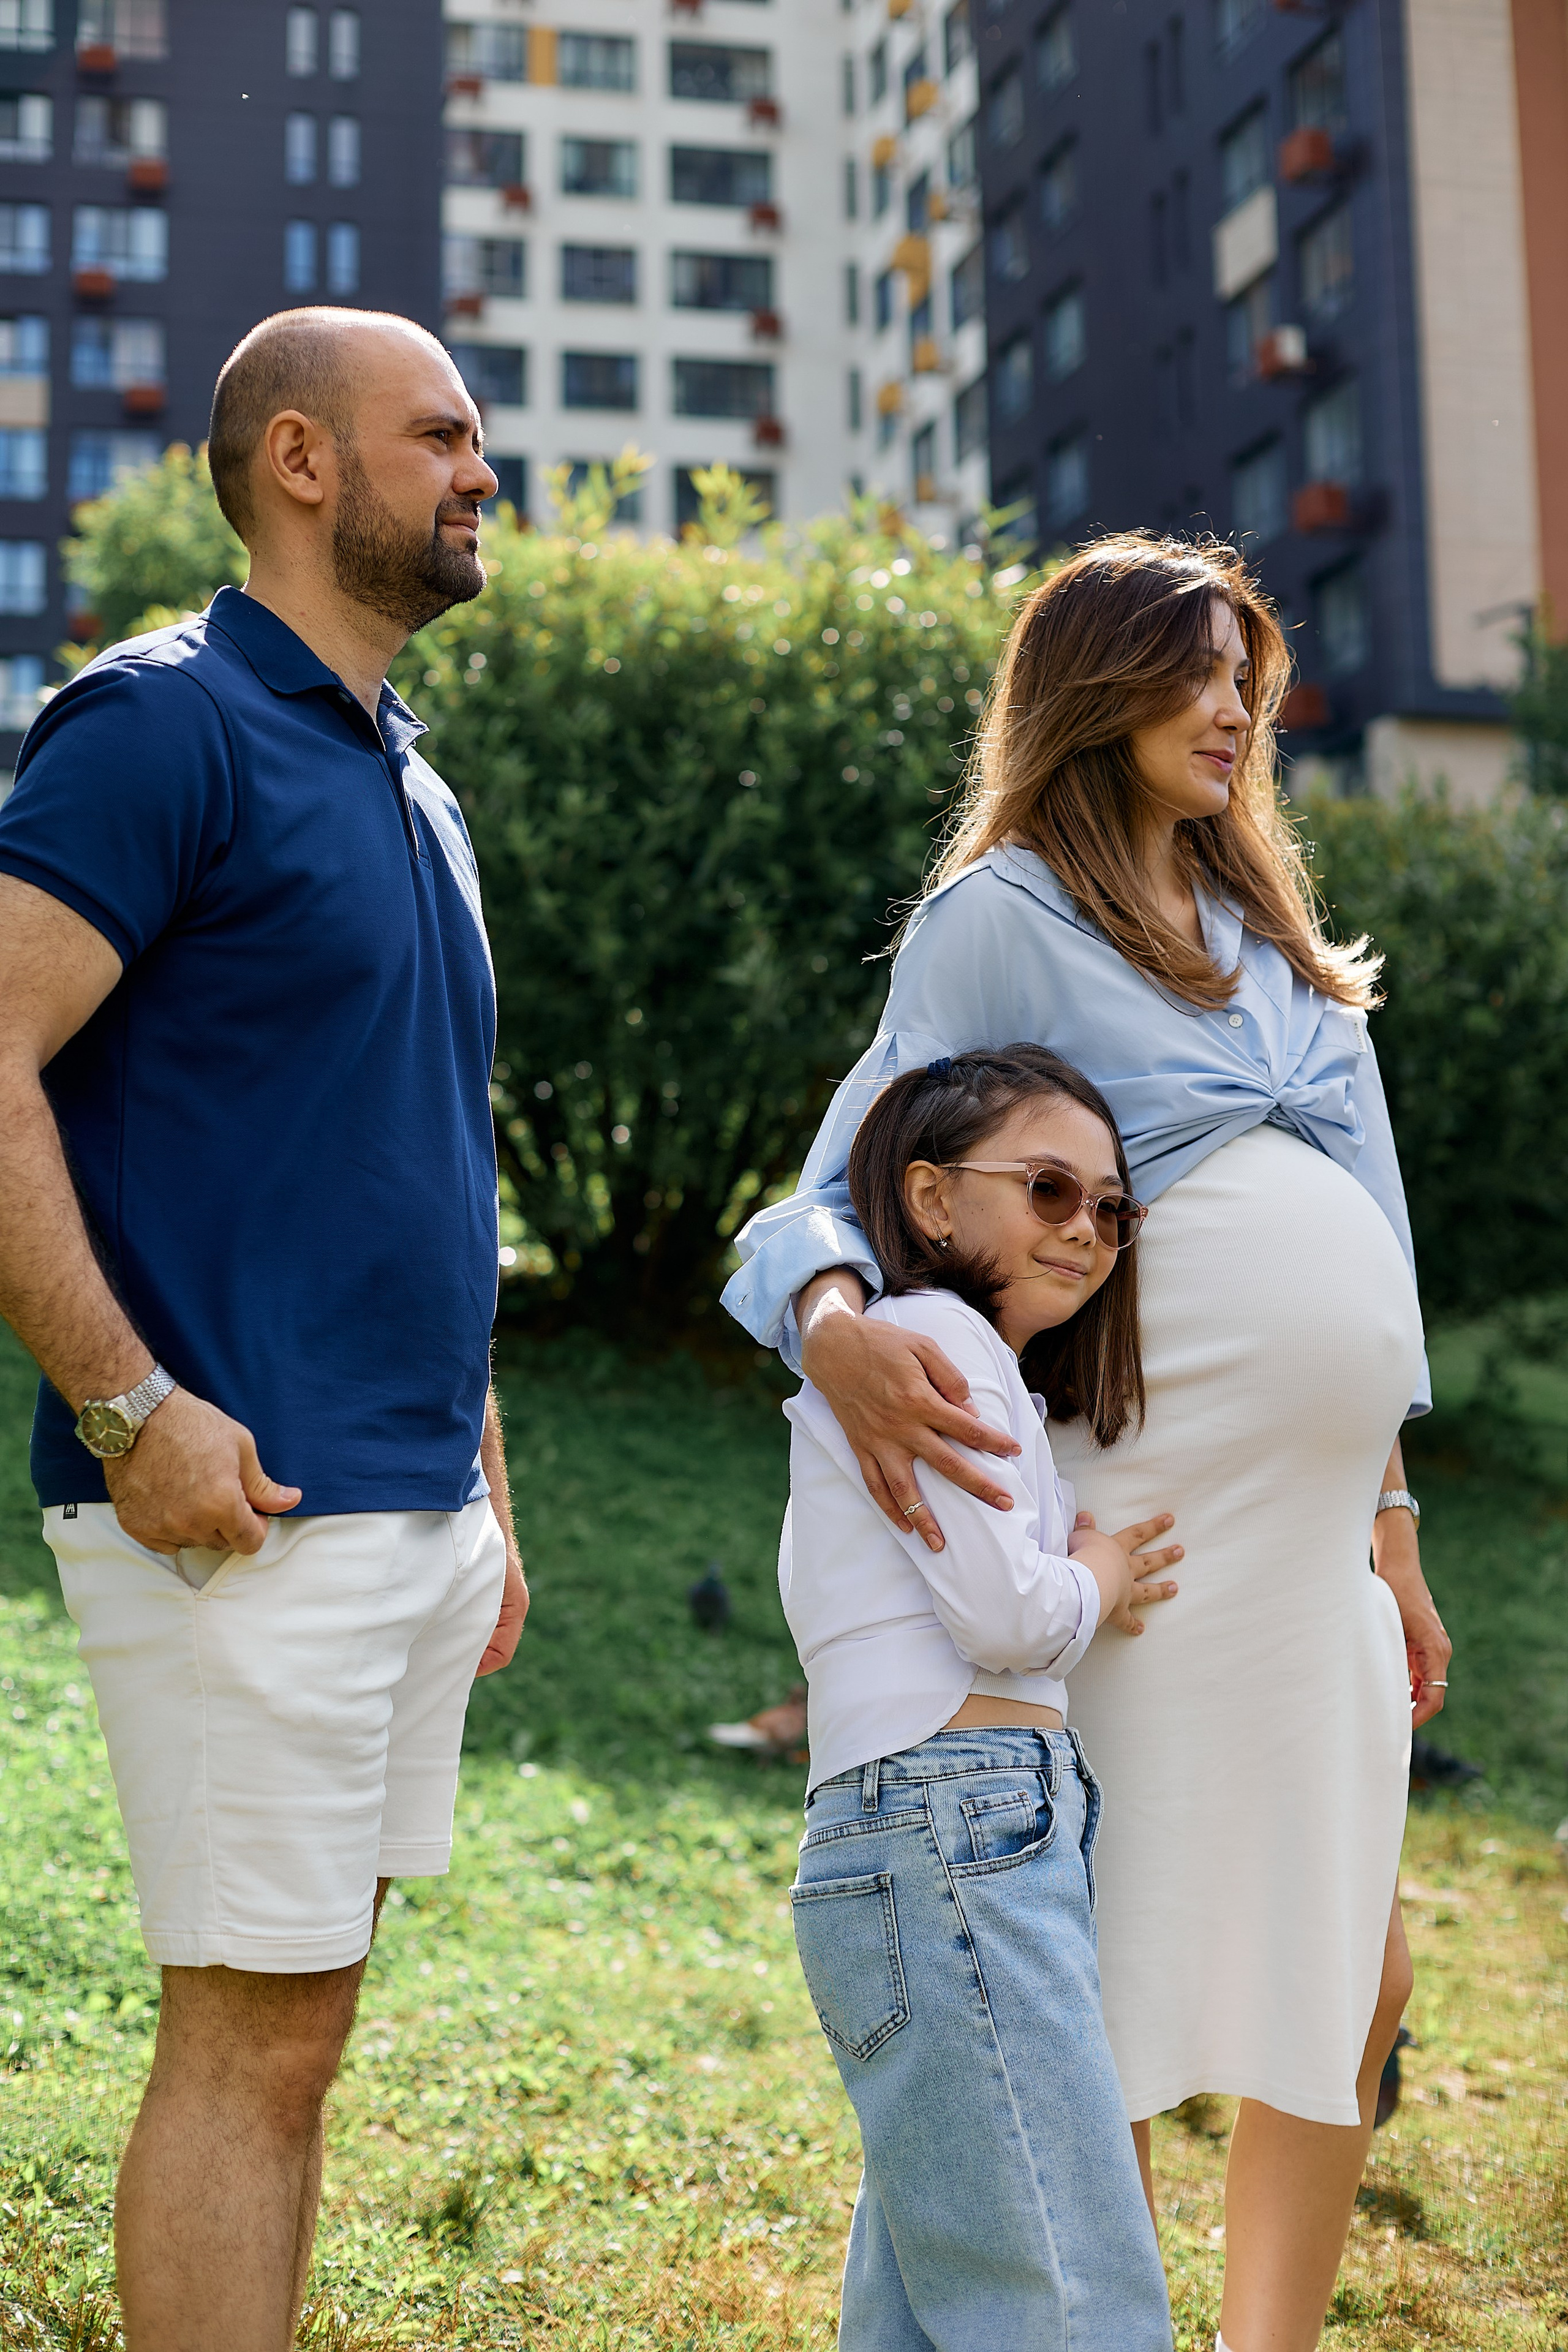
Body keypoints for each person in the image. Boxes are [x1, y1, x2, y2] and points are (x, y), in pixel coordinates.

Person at [726, 535, 1452, 2352]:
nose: (1239, 712)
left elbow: (1374, 1254)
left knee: (1353, 1973)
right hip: (1140, 1535)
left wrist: (1395, 1525)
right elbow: (830, 1188)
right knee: (1095, 1988)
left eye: (1251, 685)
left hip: (1311, 1551)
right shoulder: (1003, 918)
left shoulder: (1282, 948)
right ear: (1098, 687)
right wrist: (835, 1334)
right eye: (1201, 674)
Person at [0, 308, 525, 2352]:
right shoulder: (161, 723)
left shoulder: (416, 782)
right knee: (246, 2038)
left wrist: (482, 1469)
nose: (485, 471)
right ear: (302, 460)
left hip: (399, 1505)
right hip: (234, 1508)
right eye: (446, 435)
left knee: (302, 2033)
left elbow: (410, 1147)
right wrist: (127, 1406)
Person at [785, 1044, 1178, 2348]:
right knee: (1068, 2287)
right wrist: (1097, 1570)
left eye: (1111, 1209)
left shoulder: (940, 1355)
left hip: (917, 1827)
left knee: (936, 2276)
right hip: (961, 1820)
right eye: (1049, 1190)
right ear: (933, 1199)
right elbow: (1005, 1619)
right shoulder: (934, 1340)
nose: (1087, 1229)